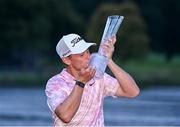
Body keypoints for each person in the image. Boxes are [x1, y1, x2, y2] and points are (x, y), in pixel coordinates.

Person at [45, 33, 140, 126]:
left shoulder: (98, 76)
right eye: (82, 55)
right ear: (67, 60)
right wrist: (81, 82)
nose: (88, 56)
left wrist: (108, 60)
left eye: (87, 51)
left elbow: (133, 92)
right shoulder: (56, 83)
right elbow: (65, 116)